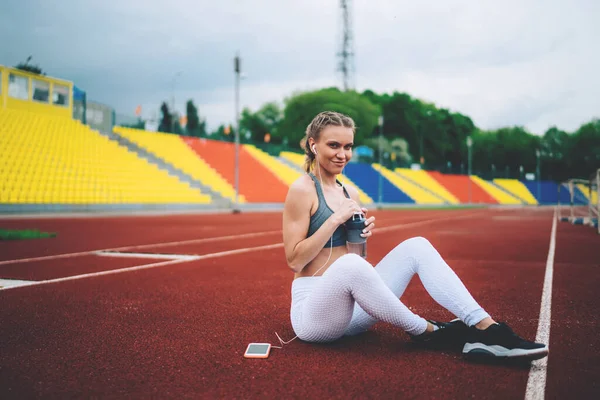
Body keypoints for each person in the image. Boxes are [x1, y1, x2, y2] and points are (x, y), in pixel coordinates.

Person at [282, 111, 548, 360]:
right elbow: (295, 260)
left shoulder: (350, 193)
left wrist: (360, 238)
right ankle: (428, 332)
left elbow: (356, 260)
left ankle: (487, 329)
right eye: (334, 145)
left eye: (348, 146)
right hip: (314, 317)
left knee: (416, 246)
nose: (343, 154)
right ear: (313, 145)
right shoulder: (303, 189)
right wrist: (335, 219)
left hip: (351, 312)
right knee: (349, 266)